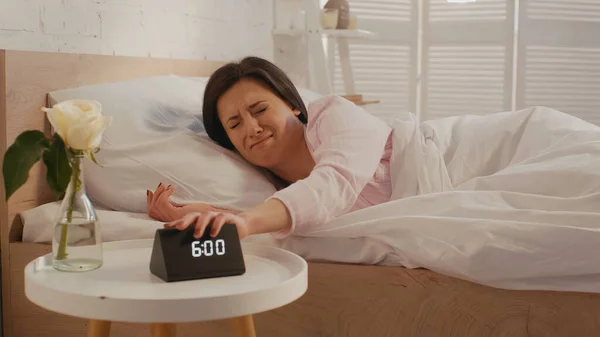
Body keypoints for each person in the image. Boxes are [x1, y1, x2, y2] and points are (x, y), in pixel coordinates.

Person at [146, 56, 394, 239]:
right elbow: (279, 212)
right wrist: (205, 213)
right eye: (235, 124)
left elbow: (335, 183)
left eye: (260, 110)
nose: (252, 129)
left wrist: (246, 222)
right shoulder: (268, 186)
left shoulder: (334, 114)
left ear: (292, 103)